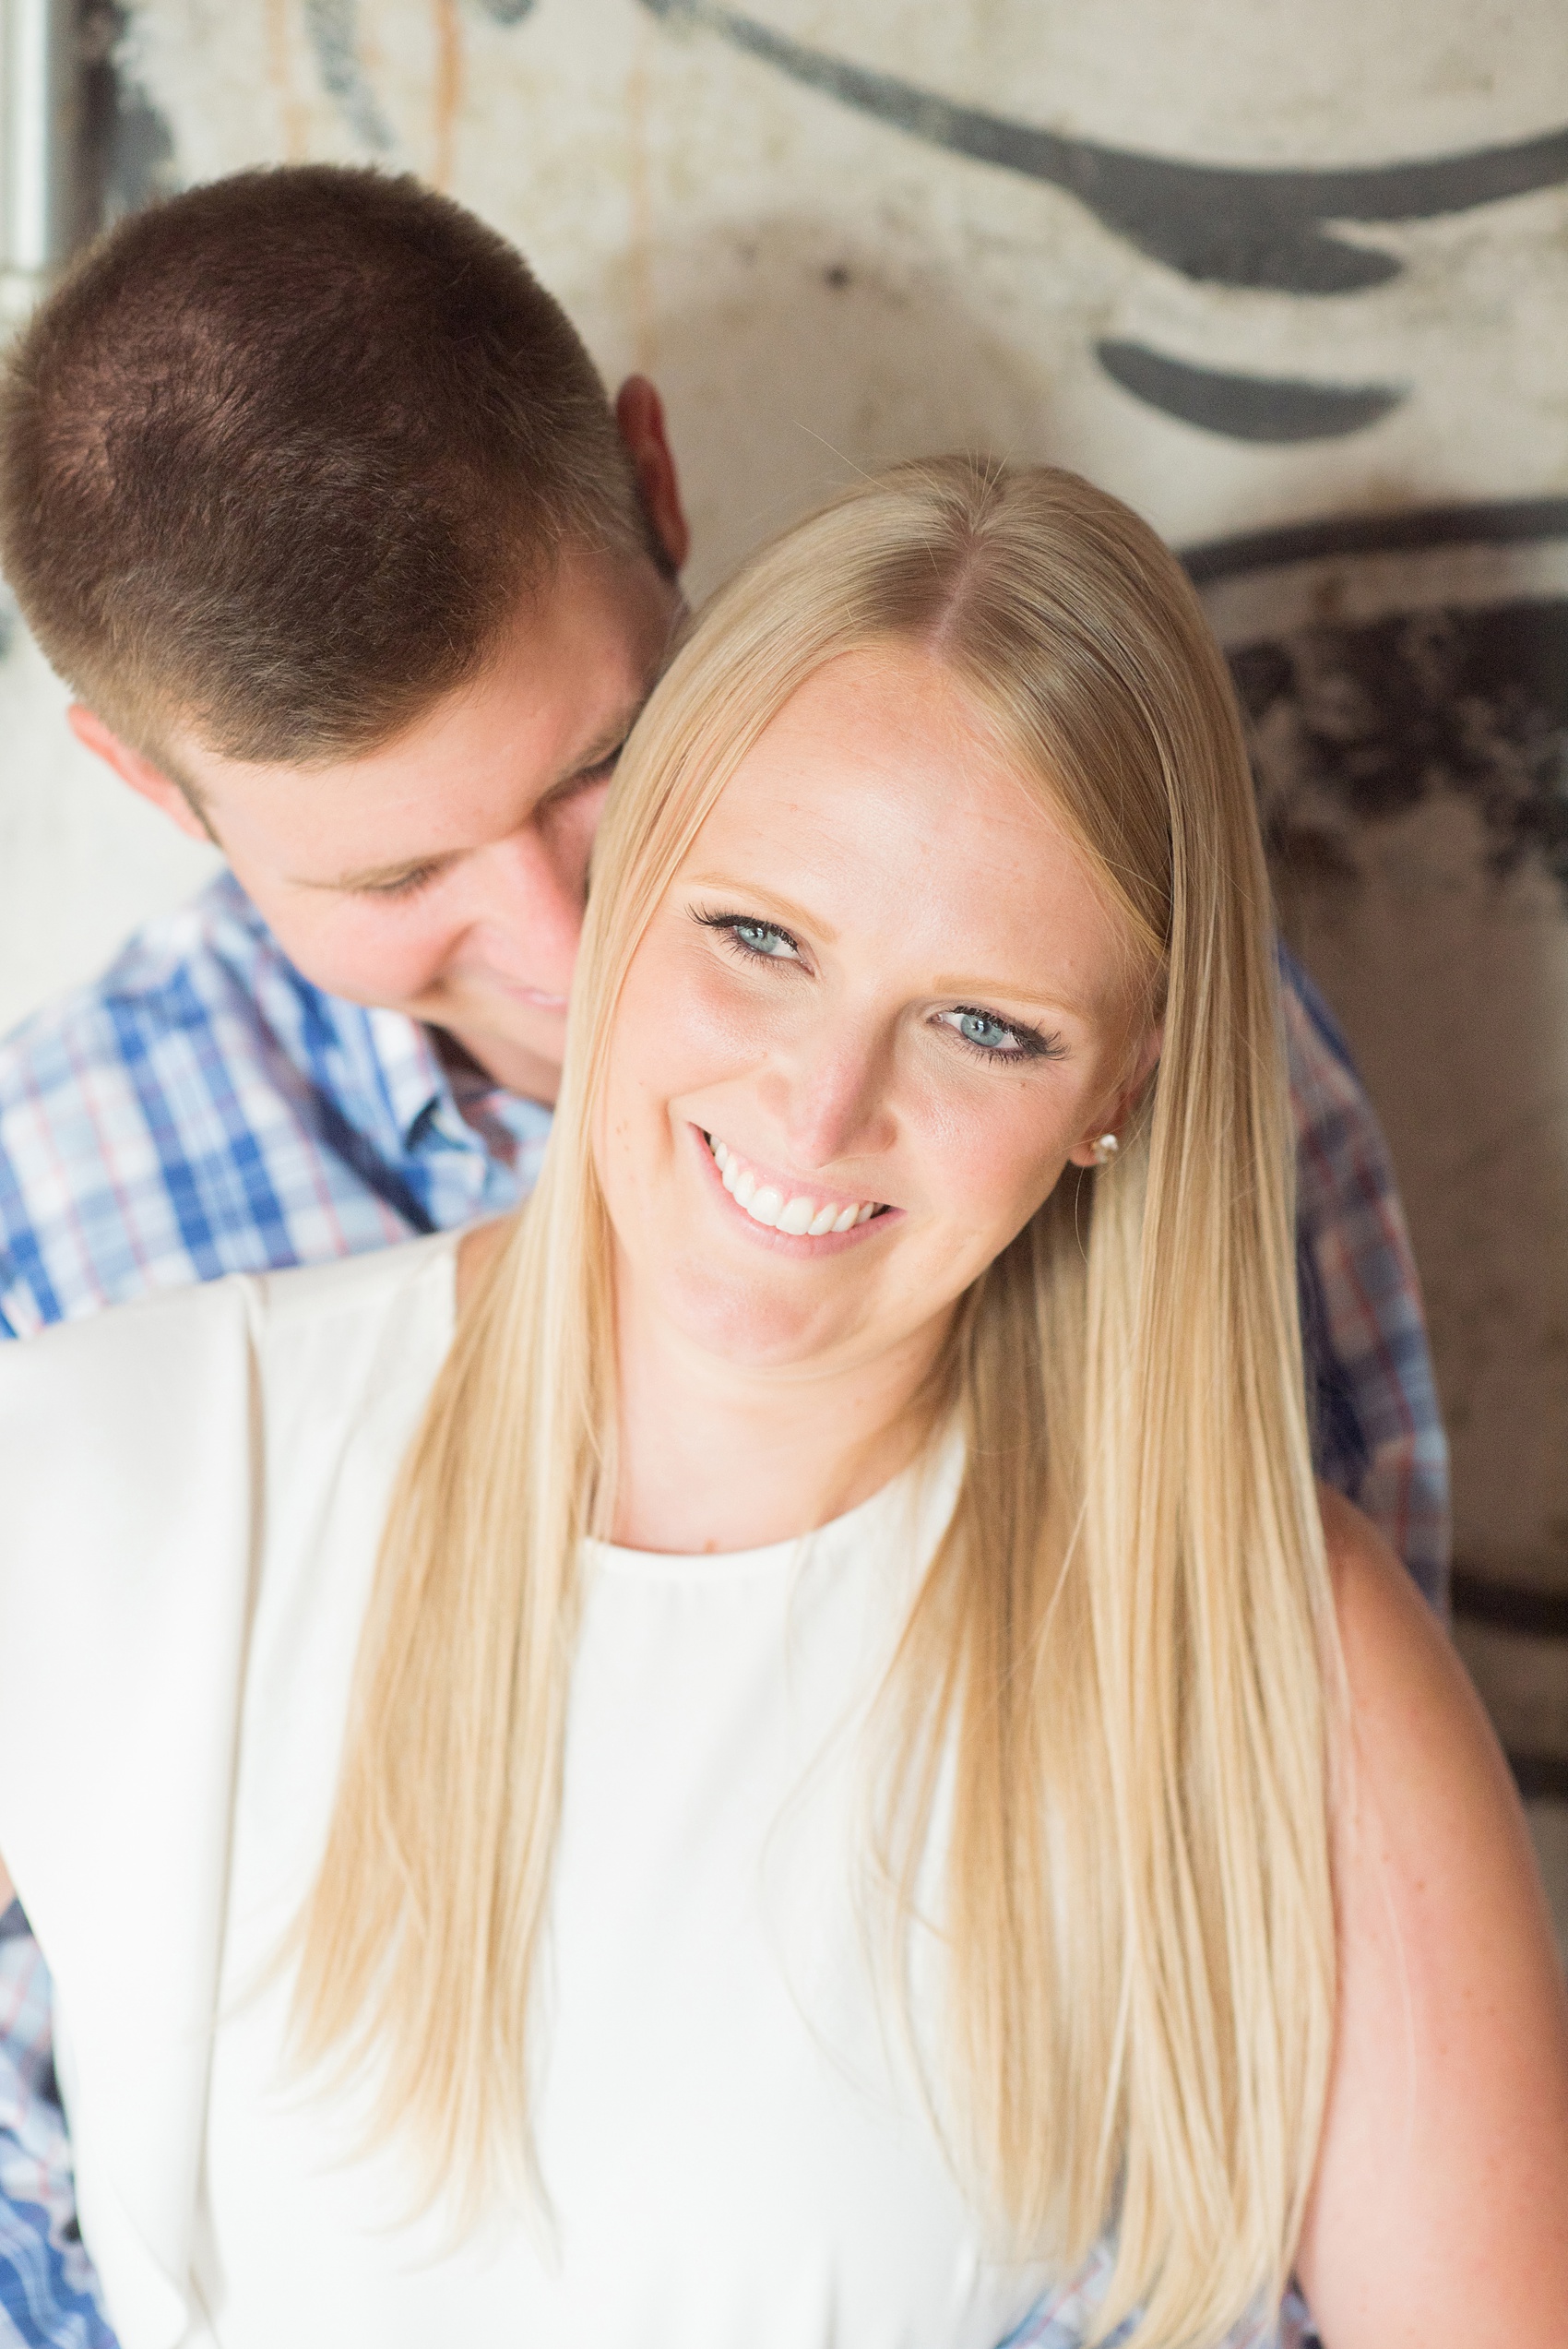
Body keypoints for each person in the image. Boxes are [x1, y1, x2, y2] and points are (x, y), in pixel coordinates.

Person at [0, 173, 1445, 2345]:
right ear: (155, 783)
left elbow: (1304, 1977)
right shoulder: (70, 1266)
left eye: (599, 767)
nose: (569, 941)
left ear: (656, 488)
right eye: (399, 866)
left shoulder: (1157, 1072)